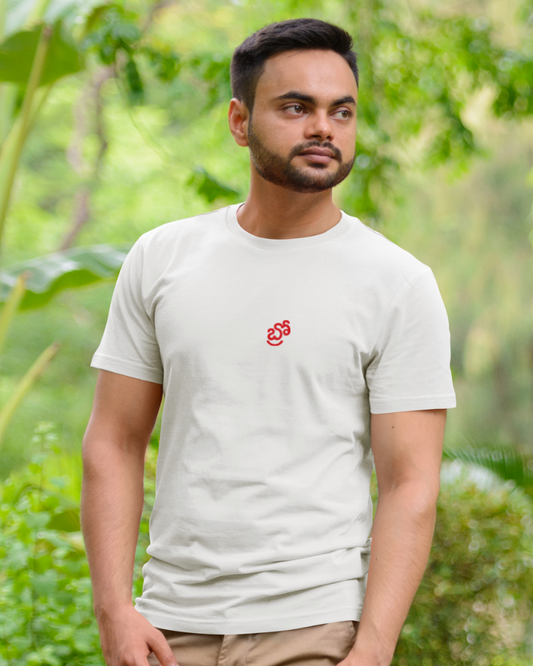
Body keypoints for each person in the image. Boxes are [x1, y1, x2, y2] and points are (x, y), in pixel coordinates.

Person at [81, 17, 456, 666]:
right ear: (239, 121)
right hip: (169, 630)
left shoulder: (397, 283)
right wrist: (114, 608)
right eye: (295, 107)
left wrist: (372, 650)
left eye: (341, 111)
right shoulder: (162, 258)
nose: (323, 128)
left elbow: (410, 484)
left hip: (314, 629)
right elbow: (114, 441)